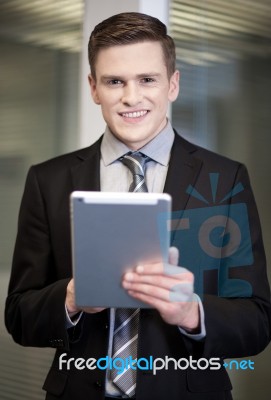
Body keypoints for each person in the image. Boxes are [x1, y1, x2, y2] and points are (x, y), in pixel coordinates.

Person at [5, 11, 271, 400]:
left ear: (173, 84)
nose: (132, 97)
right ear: (94, 88)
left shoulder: (226, 179)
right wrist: (71, 299)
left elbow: (258, 321)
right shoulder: (48, 181)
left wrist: (191, 312)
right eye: (115, 81)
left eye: (147, 79)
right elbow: (19, 316)